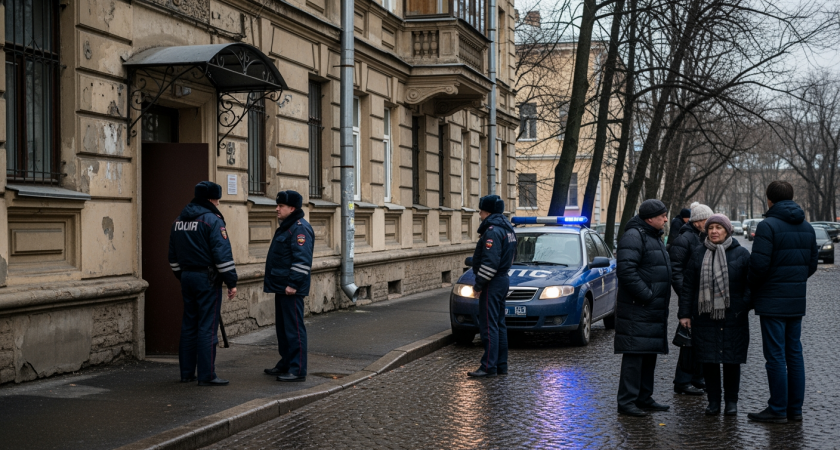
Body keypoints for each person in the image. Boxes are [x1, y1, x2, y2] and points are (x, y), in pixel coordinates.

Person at [747, 181, 818, 424]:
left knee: (775, 356)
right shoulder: (807, 227)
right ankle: (794, 409)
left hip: (772, 301)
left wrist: (756, 288)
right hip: (795, 300)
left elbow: (758, 266)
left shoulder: (767, 226)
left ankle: (777, 408)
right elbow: (811, 266)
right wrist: (793, 282)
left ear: (769, 200)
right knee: (794, 354)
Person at [679, 214, 751, 416]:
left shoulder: (742, 254)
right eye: (711, 228)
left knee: (731, 361)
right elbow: (688, 286)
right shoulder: (698, 253)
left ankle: (731, 402)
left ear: (727, 230)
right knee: (709, 361)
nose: (714, 231)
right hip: (704, 317)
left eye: (719, 227)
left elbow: (751, 285)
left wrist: (743, 305)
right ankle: (713, 402)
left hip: (733, 317)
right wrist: (684, 314)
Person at [168, 181, 238, 386]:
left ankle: (187, 373)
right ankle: (207, 375)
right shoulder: (212, 220)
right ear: (210, 199)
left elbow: (172, 257)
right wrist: (231, 282)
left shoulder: (178, 220)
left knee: (189, 325)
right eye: (217, 200)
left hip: (187, 278)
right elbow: (222, 255)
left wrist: (182, 275)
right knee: (208, 326)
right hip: (207, 279)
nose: (218, 204)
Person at [614, 199, 673, 416]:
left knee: (649, 353)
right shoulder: (634, 236)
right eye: (662, 216)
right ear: (650, 219)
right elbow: (626, 271)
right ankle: (627, 401)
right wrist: (647, 295)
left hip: (651, 309)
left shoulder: (652, 235)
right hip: (638, 309)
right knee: (634, 356)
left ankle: (644, 397)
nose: (666, 219)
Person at [263, 190, 315, 382]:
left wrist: (293, 284)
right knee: (283, 329)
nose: (277, 209)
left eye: (281, 206)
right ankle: (286, 363)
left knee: (294, 329)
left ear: (292, 208)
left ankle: (297, 369)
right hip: (282, 287)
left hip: (291, 289)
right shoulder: (288, 226)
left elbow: (302, 260)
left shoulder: (299, 229)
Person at [467, 195, 516, 378]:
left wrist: (479, 285)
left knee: (489, 326)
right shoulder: (507, 229)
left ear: (487, 211)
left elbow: (489, 263)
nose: (479, 214)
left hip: (492, 282)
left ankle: (488, 366)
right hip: (502, 280)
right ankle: (501, 364)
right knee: (499, 325)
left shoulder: (493, 231)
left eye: (480, 210)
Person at [668, 201, 713, 396]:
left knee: (700, 339)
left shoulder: (702, 237)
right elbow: (675, 269)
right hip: (691, 296)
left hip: (703, 296)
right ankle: (683, 380)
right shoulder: (685, 238)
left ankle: (697, 377)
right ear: (698, 221)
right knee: (688, 341)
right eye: (706, 220)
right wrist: (684, 293)